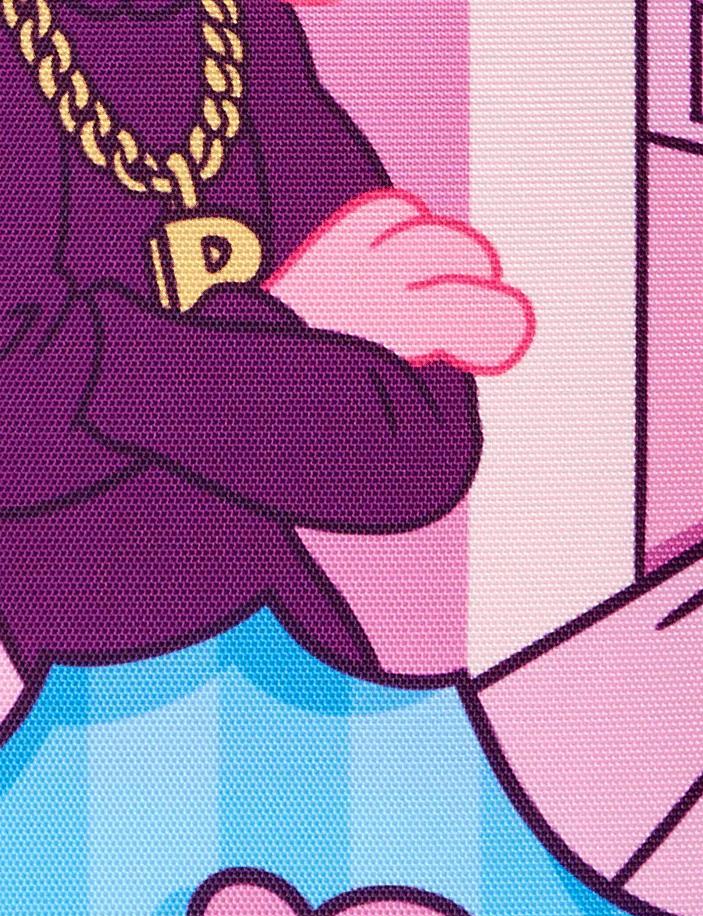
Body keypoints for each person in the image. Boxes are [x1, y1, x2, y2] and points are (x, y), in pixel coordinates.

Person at [0, 0, 529, 734]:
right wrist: (287, 325)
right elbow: (18, 406)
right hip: (89, 698)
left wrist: (125, 362)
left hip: (291, 664)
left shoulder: (249, 29)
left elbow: (420, 447)